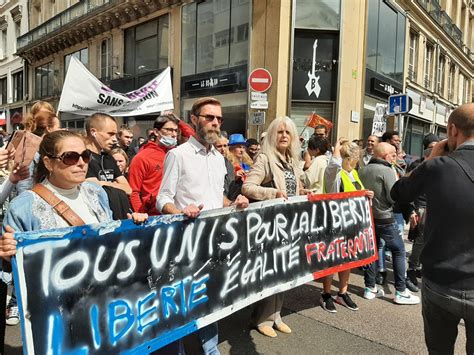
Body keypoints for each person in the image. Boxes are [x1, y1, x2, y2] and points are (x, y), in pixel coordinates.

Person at [157, 97, 249, 355]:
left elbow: (216, 197)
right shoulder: (177, 155)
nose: (215, 123)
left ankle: (210, 349)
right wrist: (180, 210)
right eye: (209, 117)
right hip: (186, 244)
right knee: (184, 303)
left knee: (210, 300)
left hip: (216, 242)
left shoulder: (219, 159)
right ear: (194, 119)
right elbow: (162, 198)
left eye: (219, 119)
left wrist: (234, 203)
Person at [391, 103, 474, 353]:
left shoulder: (437, 167)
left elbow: (399, 193)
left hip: (441, 280)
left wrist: (433, 157)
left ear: (452, 130)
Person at [241, 116, 303, 338]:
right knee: (269, 273)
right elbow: (248, 187)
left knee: (284, 273)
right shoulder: (265, 159)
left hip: (290, 226)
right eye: (280, 132)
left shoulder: (292, 160)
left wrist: (304, 193)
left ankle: (276, 316)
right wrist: (273, 194)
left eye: (288, 132)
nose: (284, 136)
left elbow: (293, 188)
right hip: (270, 226)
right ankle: (262, 318)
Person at [358, 142, 420, 305]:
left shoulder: (363, 169)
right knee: (399, 250)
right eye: (393, 154)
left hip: (368, 218)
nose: (396, 156)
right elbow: (394, 196)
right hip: (385, 217)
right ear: (385, 156)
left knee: (371, 252)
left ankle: (369, 288)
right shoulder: (387, 170)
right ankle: (400, 291)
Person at [321, 139, 372, 313]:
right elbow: (333, 165)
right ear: (348, 158)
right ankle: (326, 294)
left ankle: (342, 292)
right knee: (332, 260)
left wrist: (366, 194)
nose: (357, 161)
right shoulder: (335, 175)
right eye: (356, 157)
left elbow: (356, 194)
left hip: (352, 225)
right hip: (335, 224)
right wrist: (336, 148)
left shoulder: (353, 174)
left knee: (348, 259)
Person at [128, 113, 194, 215]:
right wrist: (142, 217)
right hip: (154, 217)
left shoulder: (177, 153)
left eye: (176, 131)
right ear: (156, 132)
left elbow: (191, 136)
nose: (174, 134)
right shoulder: (142, 157)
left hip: (178, 212)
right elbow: (133, 192)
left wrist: (178, 120)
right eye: (169, 130)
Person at [84, 113, 132, 220]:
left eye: (115, 134)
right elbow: (93, 188)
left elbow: (128, 189)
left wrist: (104, 183)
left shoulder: (108, 158)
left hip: (121, 217)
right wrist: (114, 184)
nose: (114, 139)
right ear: (93, 132)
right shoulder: (82, 158)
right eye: (110, 134)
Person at [214, 134, 236, 200]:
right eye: (219, 146)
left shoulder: (229, 163)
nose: (223, 149)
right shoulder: (210, 163)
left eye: (225, 146)